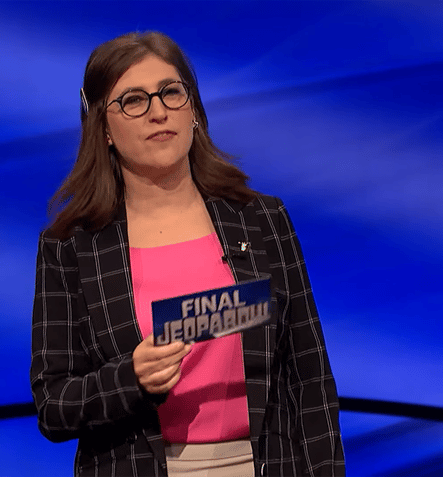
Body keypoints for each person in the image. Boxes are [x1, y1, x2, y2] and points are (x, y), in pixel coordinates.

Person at [30, 31, 344, 477]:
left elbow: (309, 378)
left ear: (193, 109)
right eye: (134, 101)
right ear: (103, 128)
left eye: (171, 93)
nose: (158, 112)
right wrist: (130, 378)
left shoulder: (261, 220)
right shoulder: (70, 248)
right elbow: (53, 405)